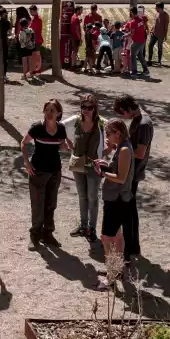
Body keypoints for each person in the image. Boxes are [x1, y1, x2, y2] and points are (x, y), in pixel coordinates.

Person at [22, 98, 73, 249]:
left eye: (52, 110)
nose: (49, 113)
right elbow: (23, 143)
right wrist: (27, 162)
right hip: (38, 171)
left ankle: (48, 234)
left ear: (59, 113)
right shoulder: (37, 127)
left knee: (51, 204)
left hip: (55, 172)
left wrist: (67, 146)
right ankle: (35, 235)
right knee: (38, 205)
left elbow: (61, 146)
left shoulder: (61, 128)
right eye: (47, 110)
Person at [95, 119, 134, 290]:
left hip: (116, 200)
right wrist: (106, 165)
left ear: (117, 133)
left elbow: (121, 178)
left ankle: (110, 278)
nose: (107, 138)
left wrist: (103, 173)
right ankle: (118, 270)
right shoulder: (121, 148)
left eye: (108, 134)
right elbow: (117, 171)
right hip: (117, 199)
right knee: (118, 236)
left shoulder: (125, 150)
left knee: (106, 238)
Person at [112, 96, 152, 262]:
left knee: (127, 211)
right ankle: (133, 246)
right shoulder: (139, 118)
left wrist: (120, 148)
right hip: (131, 171)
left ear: (127, 109)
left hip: (132, 173)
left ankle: (129, 248)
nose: (124, 117)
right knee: (130, 210)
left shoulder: (143, 124)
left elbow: (140, 152)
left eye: (123, 114)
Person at [68, 95, 105, 241]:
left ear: (95, 108)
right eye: (84, 107)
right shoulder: (77, 120)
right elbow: (59, 126)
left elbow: (114, 134)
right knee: (82, 197)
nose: (86, 110)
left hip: (93, 167)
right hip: (78, 165)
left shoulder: (101, 123)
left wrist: (105, 154)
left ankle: (92, 229)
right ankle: (83, 226)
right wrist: (68, 143)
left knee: (93, 198)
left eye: (90, 107)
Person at [127, 7, 149, 76]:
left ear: (132, 12)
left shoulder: (133, 22)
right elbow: (144, 28)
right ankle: (145, 70)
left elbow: (132, 33)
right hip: (142, 40)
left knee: (133, 55)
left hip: (137, 41)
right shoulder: (141, 19)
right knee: (140, 55)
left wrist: (124, 36)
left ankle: (134, 71)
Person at [17, 17, 38, 81]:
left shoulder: (22, 32)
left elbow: (21, 41)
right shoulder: (31, 30)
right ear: (27, 23)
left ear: (21, 25)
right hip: (30, 47)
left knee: (24, 62)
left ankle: (24, 76)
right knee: (30, 61)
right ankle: (31, 74)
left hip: (23, 48)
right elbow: (34, 38)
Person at [29, 5, 45, 74]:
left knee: (37, 55)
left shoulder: (37, 19)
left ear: (35, 11)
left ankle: (37, 69)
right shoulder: (35, 18)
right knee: (35, 55)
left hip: (37, 39)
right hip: (36, 39)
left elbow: (32, 29)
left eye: (31, 11)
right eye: (30, 11)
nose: (30, 13)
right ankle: (36, 69)